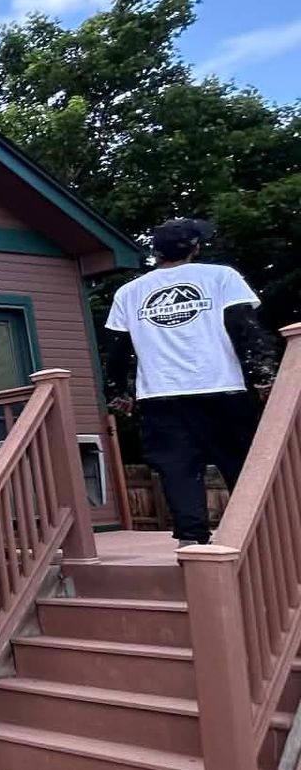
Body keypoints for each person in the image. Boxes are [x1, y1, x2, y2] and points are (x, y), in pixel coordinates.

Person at [105, 217, 278, 545]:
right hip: (222, 388)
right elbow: (245, 328)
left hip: (159, 395)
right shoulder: (221, 277)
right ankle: (260, 539)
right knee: (241, 464)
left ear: (156, 252)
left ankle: (192, 544)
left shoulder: (129, 292)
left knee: (177, 469)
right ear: (196, 247)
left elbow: (117, 351)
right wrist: (264, 378)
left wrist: (117, 392)